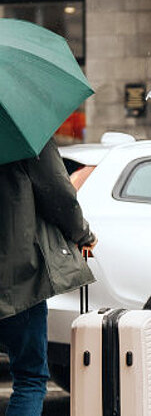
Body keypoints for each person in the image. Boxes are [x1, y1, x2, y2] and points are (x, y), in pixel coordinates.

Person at [0, 141, 96, 416]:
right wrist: (84, 235)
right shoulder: (25, 132)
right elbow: (58, 194)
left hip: (17, 275)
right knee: (30, 378)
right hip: (18, 275)